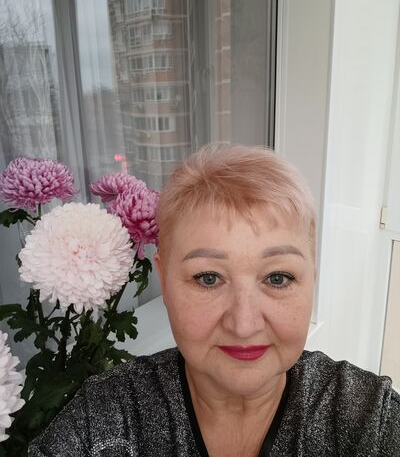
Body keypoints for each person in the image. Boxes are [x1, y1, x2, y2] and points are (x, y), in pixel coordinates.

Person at [29, 145, 400, 456]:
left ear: (312, 279)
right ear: (165, 282)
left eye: (277, 278)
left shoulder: (367, 420)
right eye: (208, 278)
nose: (244, 324)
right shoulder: (103, 421)